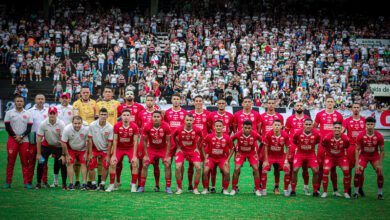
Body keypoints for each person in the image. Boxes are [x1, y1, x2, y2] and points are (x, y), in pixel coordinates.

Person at [137, 111, 172, 194]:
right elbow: (144, 141)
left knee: (167, 164)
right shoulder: (147, 126)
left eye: (158, 117)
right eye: (154, 116)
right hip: (151, 149)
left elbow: (169, 142)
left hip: (162, 149)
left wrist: (167, 156)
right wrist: (146, 155)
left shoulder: (166, 126)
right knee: (145, 164)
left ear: (161, 118)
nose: (156, 118)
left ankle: (168, 187)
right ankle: (142, 187)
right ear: (152, 118)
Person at [314, 97, 344, 193]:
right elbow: (314, 127)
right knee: (320, 167)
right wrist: (319, 136)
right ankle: (318, 188)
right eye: (328, 102)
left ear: (334, 103)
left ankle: (335, 190)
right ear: (325, 103)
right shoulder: (320, 114)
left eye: (331, 101)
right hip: (322, 145)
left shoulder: (339, 115)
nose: (330, 103)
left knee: (333, 168)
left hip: (334, 145)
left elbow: (342, 129)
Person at [3, 96, 33, 189]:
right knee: (10, 162)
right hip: (12, 140)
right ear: (14, 102)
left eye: (21, 101)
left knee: (25, 162)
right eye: (17, 101)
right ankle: (8, 182)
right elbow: (7, 127)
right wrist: (15, 137)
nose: (19, 102)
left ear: (23, 103)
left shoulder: (28, 113)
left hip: (24, 140)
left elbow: (29, 128)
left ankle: (26, 183)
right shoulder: (9, 113)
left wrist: (21, 136)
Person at [354, 117, 385, 200]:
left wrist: (380, 164)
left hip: (375, 156)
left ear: (374, 125)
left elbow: (382, 151)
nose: (370, 126)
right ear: (365, 125)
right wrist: (357, 163)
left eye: (372, 124)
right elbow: (357, 150)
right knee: (357, 172)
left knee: (380, 172)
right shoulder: (360, 135)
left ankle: (380, 193)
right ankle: (356, 192)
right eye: (368, 124)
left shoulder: (379, 136)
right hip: (364, 156)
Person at [35, 107, 67, 189]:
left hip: (58, 146)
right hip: (46, 146)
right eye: (50, 113)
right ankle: (38, 183)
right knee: (41, 162)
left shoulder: (61, 124)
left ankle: (64, 184)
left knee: (61, 162)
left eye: (54, 113)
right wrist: (38, 154)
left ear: (57, 114)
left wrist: (63, 155)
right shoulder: (43, 123)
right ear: (48, 114)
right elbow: (39, 139)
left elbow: (63, 141)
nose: (52, 115)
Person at [108, 109, 139, 192]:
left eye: (127, 115)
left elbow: (135, 141)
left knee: (135, 163)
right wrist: (114, 155)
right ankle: (111, 185)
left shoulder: (134, 126)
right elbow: (114, 140)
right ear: (121, 116)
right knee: (113, 163)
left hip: (130, 148)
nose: (126, 117)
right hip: (119, 148)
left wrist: (135, 156)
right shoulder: (117, 126)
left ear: (131, 117)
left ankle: (133, 185)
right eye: (124, 115)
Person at [206, 98, 234, 193]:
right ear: (217, 104)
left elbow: (232, 128)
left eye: (223, 103)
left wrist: (226, 139)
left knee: (225, 168)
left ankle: (224, 188)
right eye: (219, 103)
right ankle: (212, 187)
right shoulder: (211, 115)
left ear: (225, 104)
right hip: (213, 144)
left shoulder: (230, 116)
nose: (221, 104)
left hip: (224, 145)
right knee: (212, 168)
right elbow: (209, 127)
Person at [72, 86, 96, 188]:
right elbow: (76, 117)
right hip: (81, 132)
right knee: (78, 159)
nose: (85, 94)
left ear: (89, 93)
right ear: (80, 93)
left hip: (92, 133)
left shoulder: (94, 103)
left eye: (87, 92)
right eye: (84, 92)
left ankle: (90, 181)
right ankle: (77, 180)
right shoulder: (76, 104)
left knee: (90, 157)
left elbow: (96, 118)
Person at [259, 98, 284, 194]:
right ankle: (261, 185)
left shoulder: (280, 117)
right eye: (269, 103)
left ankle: (276, 187)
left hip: (277, 145)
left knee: (277, 167)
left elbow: (282, 131)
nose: (270, 105)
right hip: (265, 145)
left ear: (275, 105)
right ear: (266, 105)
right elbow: (259, 130)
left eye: (272, 103)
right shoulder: (262, 116)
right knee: (262, 165)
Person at [285, 101, 311, 195]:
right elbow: (286, 133)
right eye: (297, 106)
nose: (299, 107)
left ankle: (306, 188)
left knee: (305, 168)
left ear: (303, 108)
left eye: (301, 105)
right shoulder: (289, 119)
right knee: (292, 168)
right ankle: (290, 187)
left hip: (305, 147)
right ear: (294, 108)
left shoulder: (308, 119)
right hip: (292, 147)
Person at [201, 120, 234, 195]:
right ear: (214, 127)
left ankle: (225, 189)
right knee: (205, 171)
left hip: (222, 158)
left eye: (220, 126)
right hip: (211, 158)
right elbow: (202, 146)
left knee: (227, 172)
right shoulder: (209, 136)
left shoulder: (227, 137)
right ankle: (205, 189)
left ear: (223, 127)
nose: (218, 127)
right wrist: (205, 158)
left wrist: (227, 160)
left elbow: (232, 148)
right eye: (217, 126)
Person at [291, 118, 321, 197]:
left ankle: (315, 191)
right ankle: (293, 190)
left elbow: (318, 141)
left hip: (311, 154)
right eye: (306, 124)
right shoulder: (297, 133)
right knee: (295, 170)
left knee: (315, 171)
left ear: (312, 125)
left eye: (309, 124)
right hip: (300, 153)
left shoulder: (316, 133)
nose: (308, 126)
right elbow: (294, 141)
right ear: (303, 125)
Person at [230, 120, 262, 196]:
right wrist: (235, 150)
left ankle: (257, 189)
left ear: (252, 128)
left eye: (249, 128)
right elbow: (230, 140)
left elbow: (262, 142)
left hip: (252, 153)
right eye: (245, 128)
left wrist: (258, 152)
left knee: (256, 168)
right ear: (242, 127)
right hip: (241, 153)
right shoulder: (238, 134)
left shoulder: (255, 134)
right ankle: (234, 189)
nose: (247, 129)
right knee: (236, 168)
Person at [173, 114, 203, 194]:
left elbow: (202, 137)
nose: (189, 122)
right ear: (184, 120)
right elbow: (173, 136)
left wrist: (197, 147)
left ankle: (195, 188)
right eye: (187, 120)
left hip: (193, 151)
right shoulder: (179, 129)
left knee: (198, 168)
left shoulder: (197, 129)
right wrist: (178, 147)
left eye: (190, 120)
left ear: (193, 121)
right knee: (178, 167)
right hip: (182, 151)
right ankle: (179, 188)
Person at [321, 121, 351, 198]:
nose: (337, 129)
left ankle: (346, 192)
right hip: (330, 157)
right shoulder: (327, 137)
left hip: (341, 157)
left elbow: (346, 146)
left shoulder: (346, 139)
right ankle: (325, 192)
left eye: (338, 128)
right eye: (335, 127)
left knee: (346, 171)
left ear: (341, 129)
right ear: (332, 128)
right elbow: (323, 145)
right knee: (326, 171)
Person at [164, 93, 187, 190]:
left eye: (178, 99)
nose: (176, 100)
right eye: (174, 99)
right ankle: (168, 186)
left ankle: (179, 186)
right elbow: (165, 126)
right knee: (167, 163)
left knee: (180, 165)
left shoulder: (185, 113)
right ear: (171, 100)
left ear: (180, 100)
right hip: (169, 143)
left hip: (180, 143)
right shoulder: (167, 112)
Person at [137, 95, 161, 189]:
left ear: (154, 101)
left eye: (151, 100)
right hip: (143, 141)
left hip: (154, 141)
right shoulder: (141, 113)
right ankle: (140, 185)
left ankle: (157, 185)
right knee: (141, 163)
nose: (150, 102)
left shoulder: (158, 114)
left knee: (156, 164)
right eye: (148, 100)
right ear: (145, 101)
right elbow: (139, 126)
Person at [262, 120, 291, 196]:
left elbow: (288, 147)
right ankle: (264, 189)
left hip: (281, 156)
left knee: (287, 170)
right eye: (275, 125)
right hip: (270, 155)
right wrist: (266, 160)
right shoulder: (268, 134)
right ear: (272, 126)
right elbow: (265, 147)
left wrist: (286, 160)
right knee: (264, 169)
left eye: (278, 125)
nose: (277, 126)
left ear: (281, 126)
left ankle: (285, 189)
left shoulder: (285, 135)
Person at [342, 103, 366, 196]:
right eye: (354, 107)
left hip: (361, 147)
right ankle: (348, 188)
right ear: (351, 109)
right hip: (351, 147)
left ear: (360, 109)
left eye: (357, 107)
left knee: (361, 169)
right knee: (349, 169)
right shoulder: (347, 120)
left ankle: (360, 188)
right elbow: (342, 132)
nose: (356, 109)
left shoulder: (364, 120)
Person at [87, 108, 114, 191]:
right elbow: (90, 140)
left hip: (105, 149)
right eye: (101, 114)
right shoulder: (92, 125)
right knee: (91, 164)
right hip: (95, 148)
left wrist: (108, 155)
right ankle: (93, 184)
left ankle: (102, 184)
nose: (103, 116)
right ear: (98, 115)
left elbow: (110, 143)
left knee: (106, 164)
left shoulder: (110, 127)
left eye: (105, 114)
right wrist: (90, 153)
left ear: (107, 116)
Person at [188, 95, 210, 191]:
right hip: (192, 144)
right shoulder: (190, 114)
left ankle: (206, 186)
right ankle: (190, 185)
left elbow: (210, 128)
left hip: (204, 144)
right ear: (194, 102)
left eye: (200, 101)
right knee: (191, 165)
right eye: (196, 101)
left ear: (202, 102)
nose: (198, 102)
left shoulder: (208, 114)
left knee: (206, 165)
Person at [61, 116, 89, 190]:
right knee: (70, 162)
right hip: (71, 149)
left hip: (82, 149)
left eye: (79, 123)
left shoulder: (86, 129)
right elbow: (63, 143)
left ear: (82, 123)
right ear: (72, 123)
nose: (77, 125)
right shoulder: (67, 129)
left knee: (84, 163)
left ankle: (84, 184)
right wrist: (66, 155)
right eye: (75, 123)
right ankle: (71, 183)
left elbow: (88, 142)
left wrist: (86, 153)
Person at [27, 94, 49, 187]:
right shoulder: (29, 111)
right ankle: (29, 182)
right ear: (35, 100)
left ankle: (44, 181)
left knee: (43, 162)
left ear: (44, 100)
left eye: (42, 99)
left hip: (44, 141)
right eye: (38, 99)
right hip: (33, 139)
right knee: (31, 162)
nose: (40, 100)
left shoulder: (48, 111)